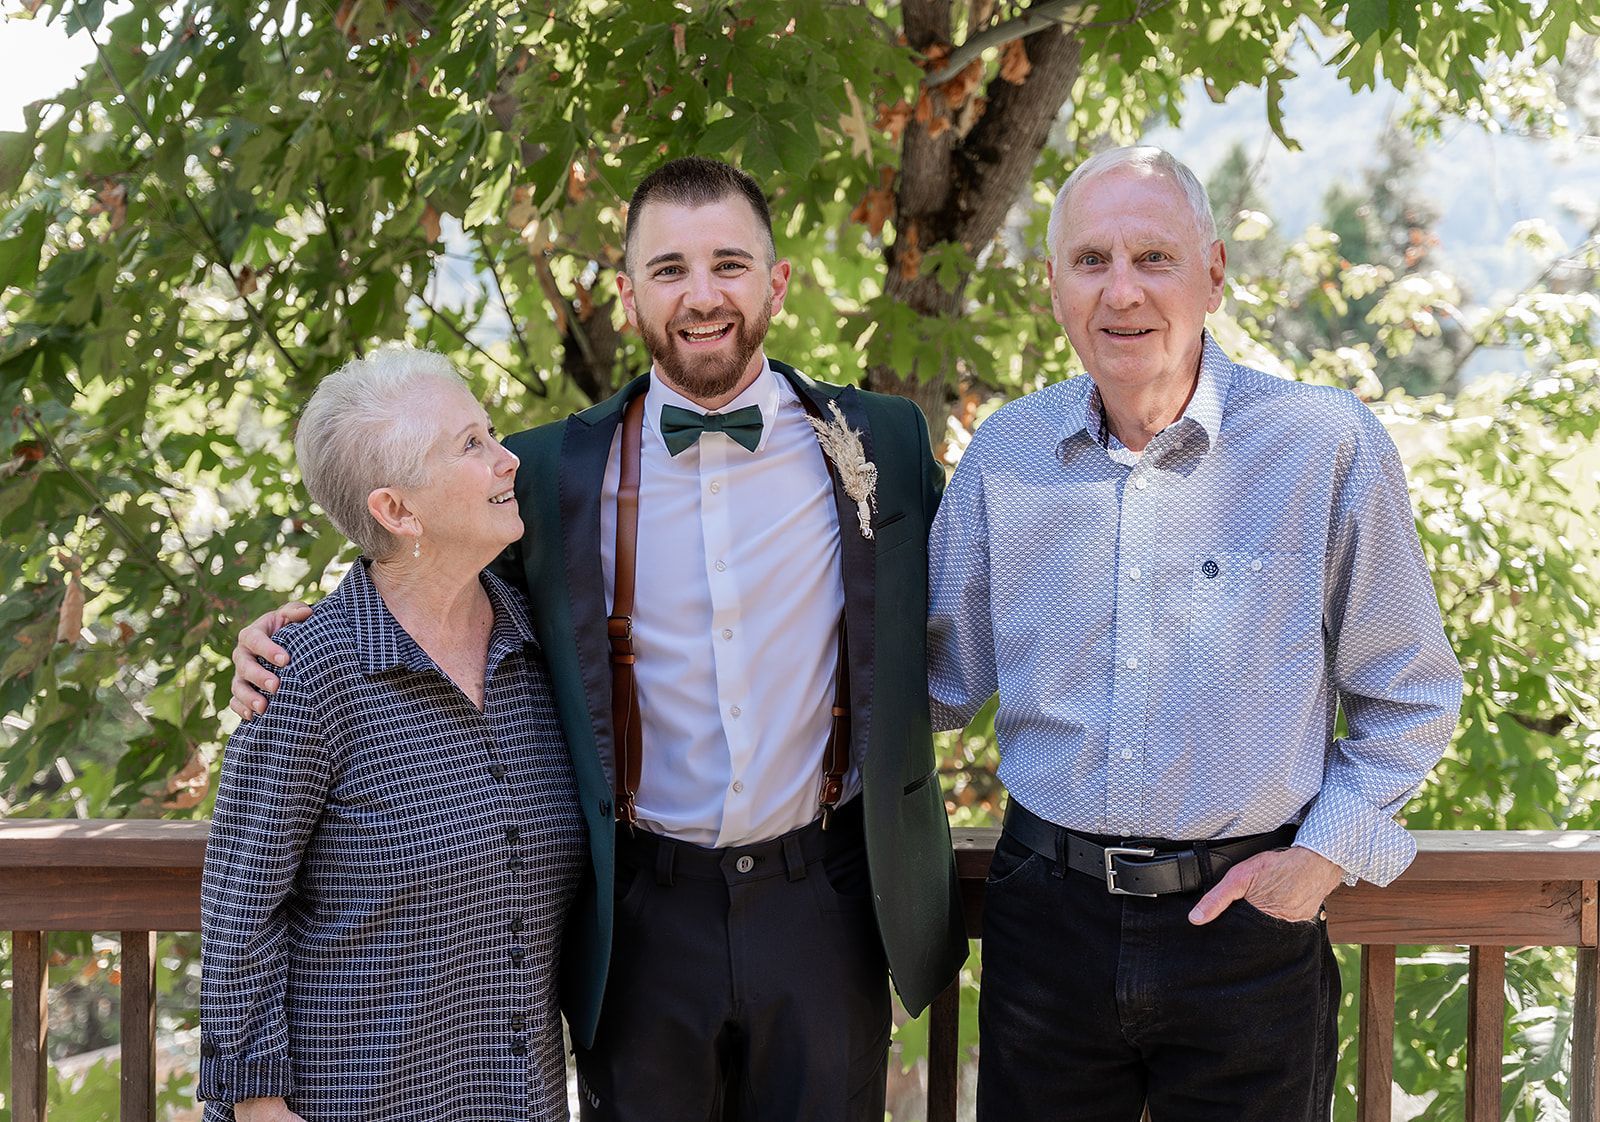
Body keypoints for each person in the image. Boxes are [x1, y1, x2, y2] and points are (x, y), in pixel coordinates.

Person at [229, 157, 967, 1122]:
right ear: (627, 296)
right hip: (638, 917)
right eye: (668, 270)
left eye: (729, 264)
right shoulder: (543, 472)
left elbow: (961, 624)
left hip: (824, 901)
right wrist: (290, 636)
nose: (701, 296)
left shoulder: (886, 445)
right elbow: (420, 569)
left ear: (776, 281)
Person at [926, 146, 1463, 1122]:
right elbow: (933, 683)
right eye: (1090, 261)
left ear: (1213, 273)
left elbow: (1413, 695)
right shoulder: (1003, 456)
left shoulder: (1324, 446)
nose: (1120, 291)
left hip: (1247, 933)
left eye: (1153, 259)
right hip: (1046, 927)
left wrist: (1325, 858)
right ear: (1052, 287)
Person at [199, 349, 586, 1122]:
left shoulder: (543, 649)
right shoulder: (308, 674)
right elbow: (240, 913)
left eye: (490, 431)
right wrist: (258, 1107)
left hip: (515, 1102)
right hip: (348, 1103)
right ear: (397, 511)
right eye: (470, 445)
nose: (509, 459)